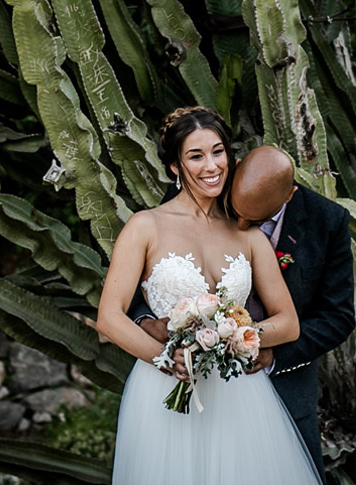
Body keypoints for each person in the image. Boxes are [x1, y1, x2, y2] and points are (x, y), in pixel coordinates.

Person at [96, 108, 322, 484]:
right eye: (196, 156)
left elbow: (287, 322)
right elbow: (110, 316)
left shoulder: (249, 236)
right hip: (165, 388)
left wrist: (234, 336)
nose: (211, 166)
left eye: (218, 152)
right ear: (174, 166)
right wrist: (167, 358)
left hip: (241, 394)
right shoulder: (145, 226)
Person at [131, 143, 355, 479]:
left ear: (288, 197)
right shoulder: (197, 197)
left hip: (286, 389)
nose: (240, 224)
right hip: (195, 392)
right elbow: (152, 275)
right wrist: (147, 322)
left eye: (254, 219)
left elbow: (338, 316)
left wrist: (271, 352)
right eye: (236, 212)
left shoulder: (328, 220)